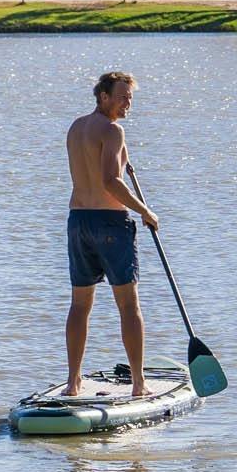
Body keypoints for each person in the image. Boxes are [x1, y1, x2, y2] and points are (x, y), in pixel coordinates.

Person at [64, 69, 159, 399]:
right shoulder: (113, 131)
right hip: (109, 224)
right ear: (102, 96)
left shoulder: (76, 128)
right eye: (121, 97)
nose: (127, 103)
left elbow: (94, 168)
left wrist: (124, 162)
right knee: (129, 307)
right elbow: (110, 181)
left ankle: (73, 383)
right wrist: (145, 211)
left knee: (80, 305)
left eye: (130, 97)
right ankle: (138, 384)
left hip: (78, 221)